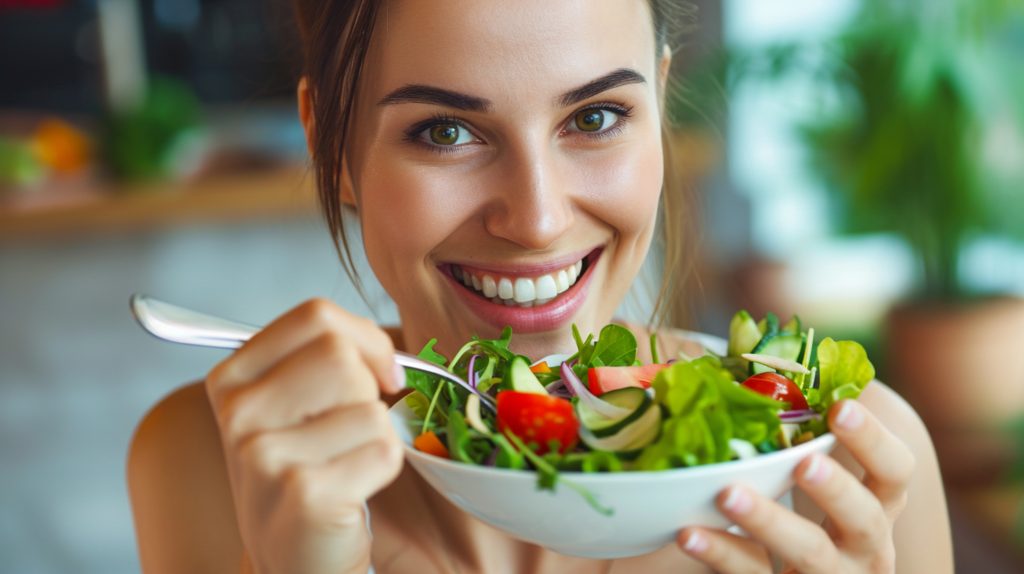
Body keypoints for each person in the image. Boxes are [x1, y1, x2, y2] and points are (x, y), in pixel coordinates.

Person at [127, 0, 953, 572]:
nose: (538, 218)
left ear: (659, 107)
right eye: (445, 132)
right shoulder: (218, 461)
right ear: (331, 147)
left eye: (594, 118)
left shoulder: (852, 471)